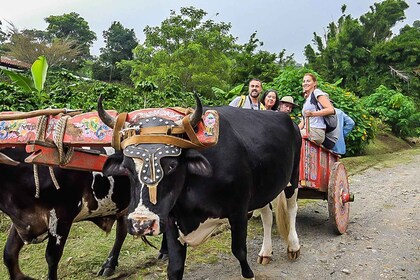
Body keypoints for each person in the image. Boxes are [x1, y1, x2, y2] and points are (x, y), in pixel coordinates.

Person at [298, 73, 335, 145]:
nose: (305, 83)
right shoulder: (307, 99)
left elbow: (331, 110)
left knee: (291, 136)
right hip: (307, 130)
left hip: (316, 131)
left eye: (308, 81)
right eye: (304, 81)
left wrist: (312, 114)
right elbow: (304, 121)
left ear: (314, 83)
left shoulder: (316, 92)